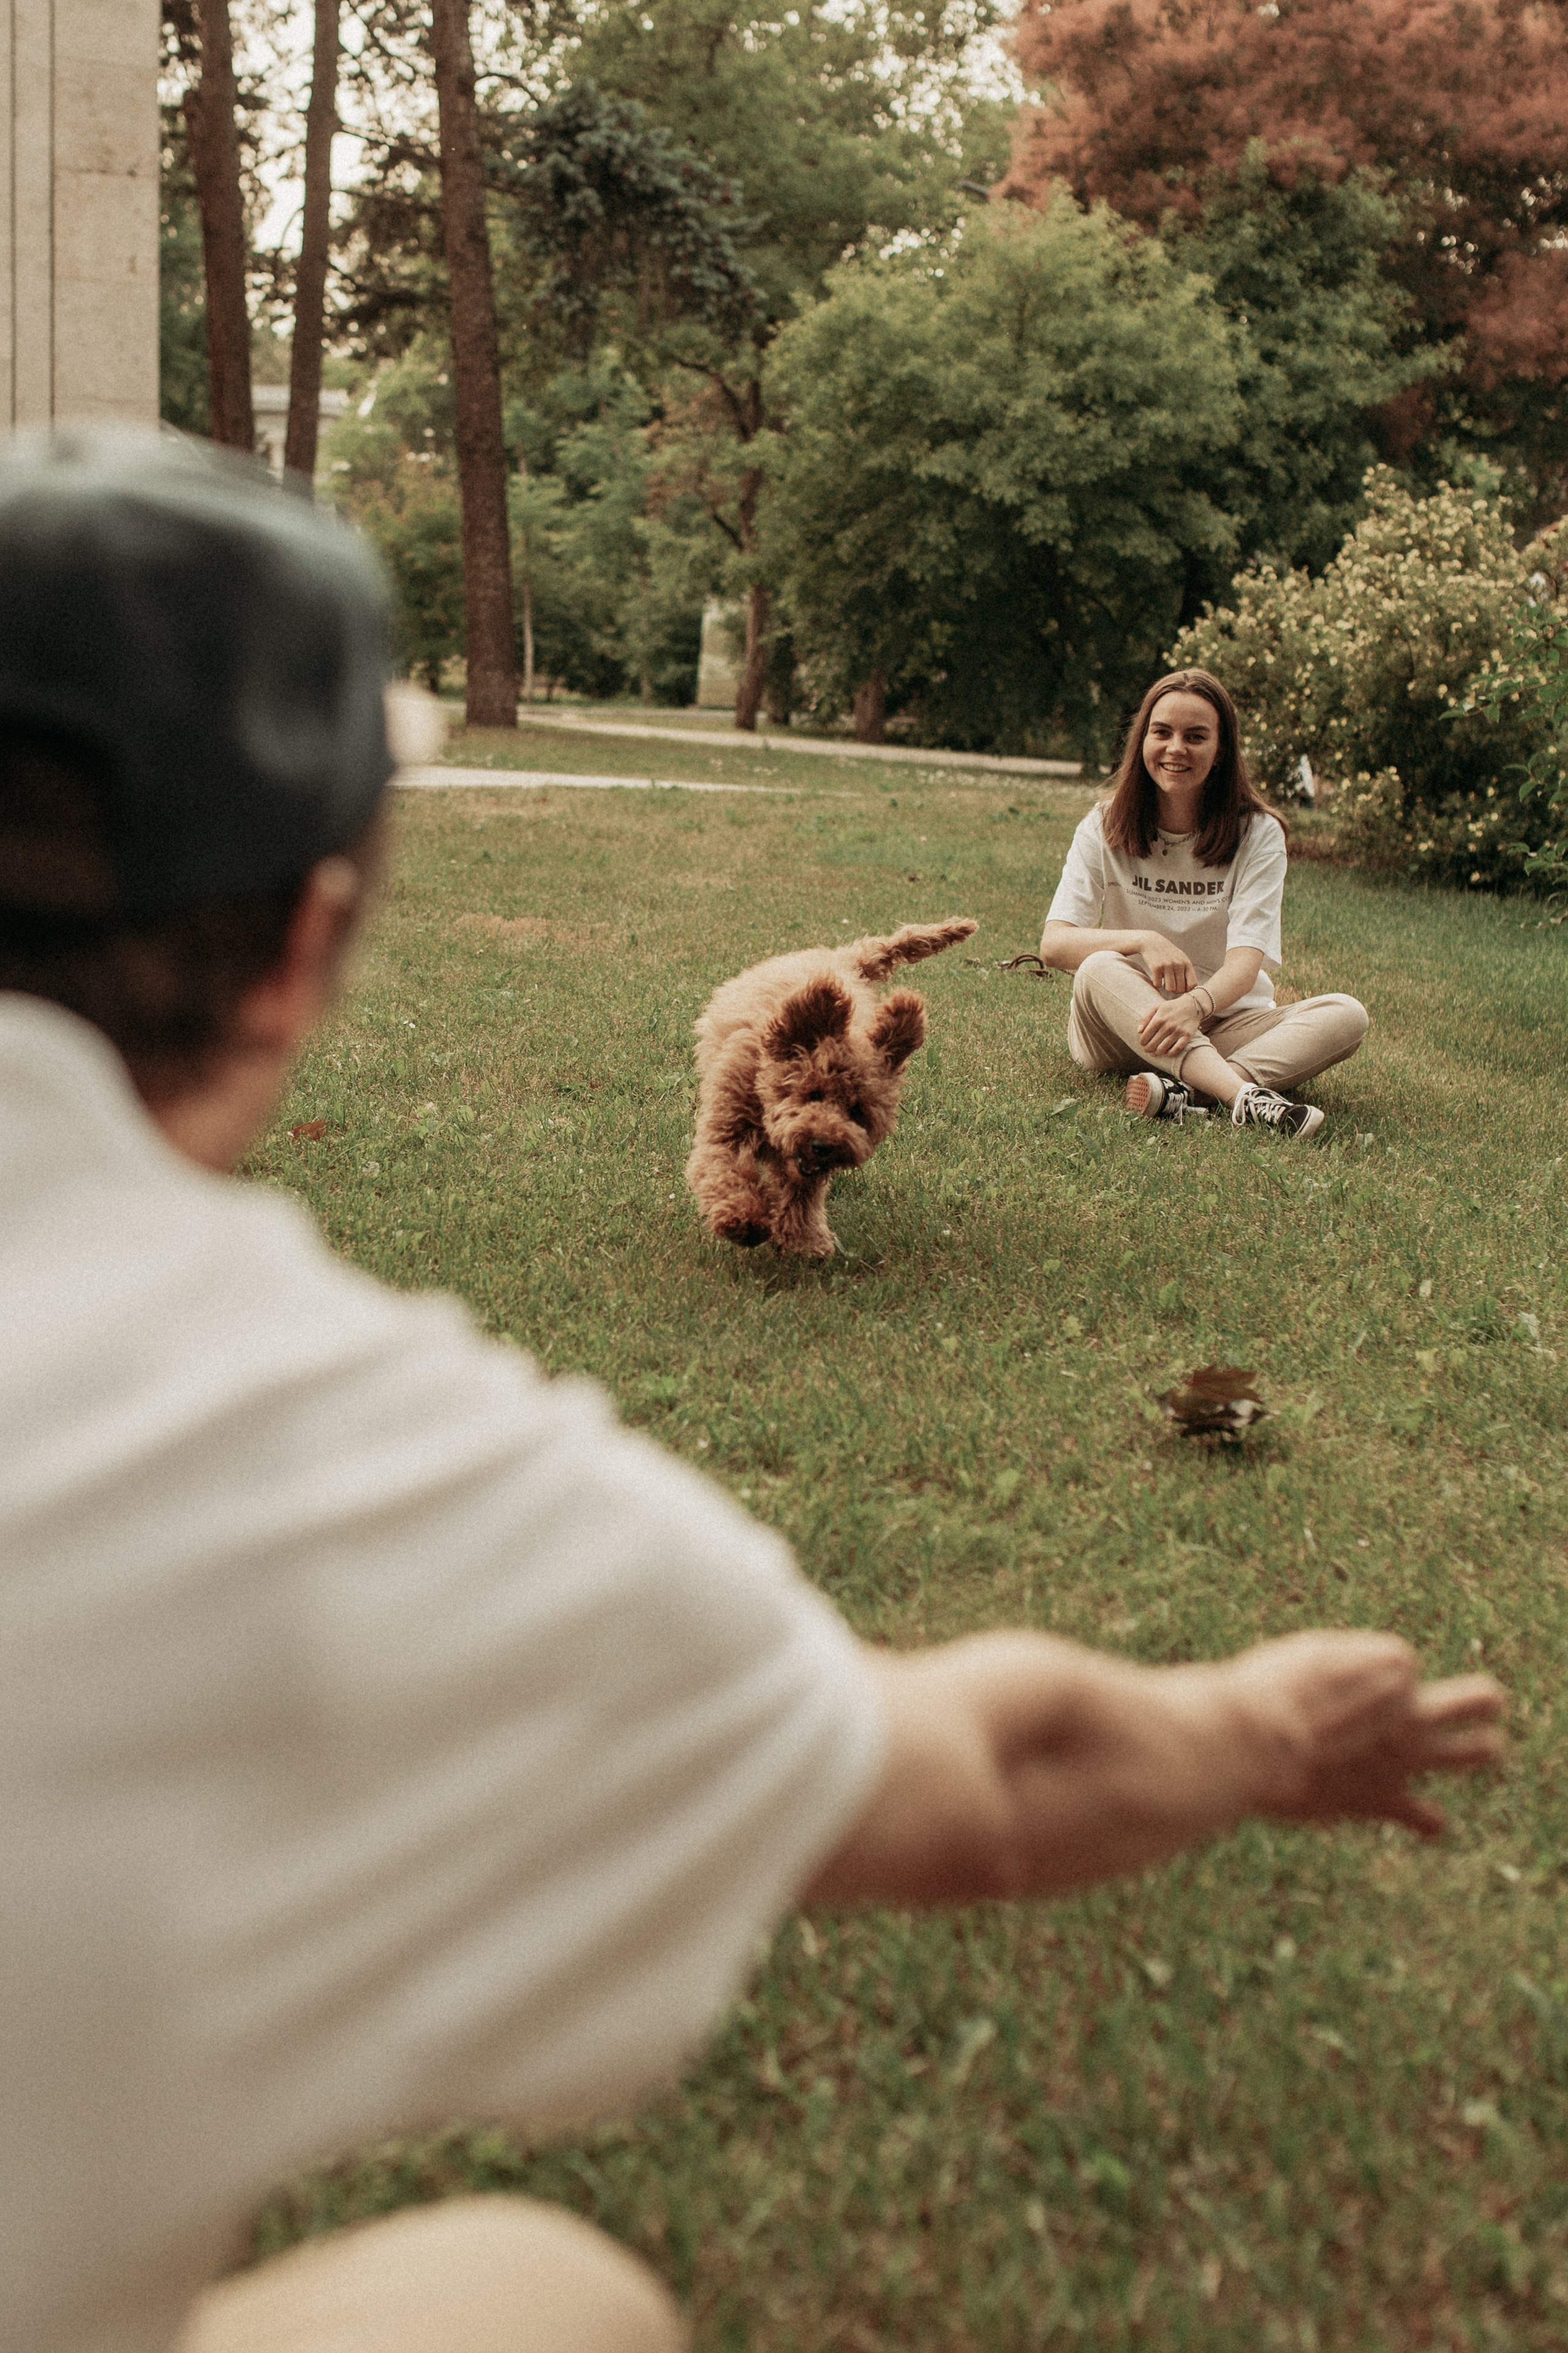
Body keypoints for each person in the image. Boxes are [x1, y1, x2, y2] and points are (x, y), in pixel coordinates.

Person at [0, 435, 1502, 2353]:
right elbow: (979, 1778)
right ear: (304, 945)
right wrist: (1258, 1727)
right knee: (546, 2294)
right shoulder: (330, 1448)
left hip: (1191, 1020)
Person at [1041, 668, 1370, 1139]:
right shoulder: (1103, 824)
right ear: (1142, 741)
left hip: (1221, 1022)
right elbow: (1055, 945)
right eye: (1162, 733)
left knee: (1347, 1014)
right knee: (1097, 967)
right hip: (1124, 1026)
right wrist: (1144, 940)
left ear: (1221, 752)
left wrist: (1194, 1007)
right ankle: (1241, 1097)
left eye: (1195, 737)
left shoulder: (1259, 833)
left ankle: (1186, 1093)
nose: (1176, 748)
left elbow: (1245, 964)